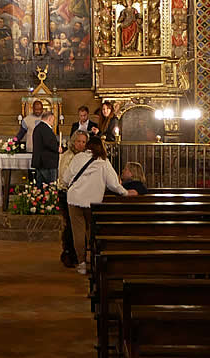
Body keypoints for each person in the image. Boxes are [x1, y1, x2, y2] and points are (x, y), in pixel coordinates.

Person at [66, 136, 137, 273]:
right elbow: (114, 184)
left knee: (78, 232)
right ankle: (93, 260)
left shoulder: (78, 157)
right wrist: (126, 193)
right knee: (92, 232)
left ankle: (81, 263)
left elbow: (66, 177)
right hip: (93, 202)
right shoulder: (104, 162)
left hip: (74, 199)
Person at [57, 128, 89, 268]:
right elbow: (64, 176)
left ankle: (79, 254)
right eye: (78, 141)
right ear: (73, 142)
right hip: (67, 194)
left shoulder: (87, 156)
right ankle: (69, 253)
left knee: (80, 227)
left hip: (83, 195)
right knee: (70, 225)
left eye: (83, 142)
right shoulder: (68, 156)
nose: (81, 144)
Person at [31, 108, 60, 186]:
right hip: (48, 163)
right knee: (50, 187)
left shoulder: (38, 128)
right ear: (49, 118)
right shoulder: (45, 128)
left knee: (40, 187)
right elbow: (49, 143)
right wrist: (58, 148)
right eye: (53, 120)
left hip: (40, 162)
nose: (54, 122)